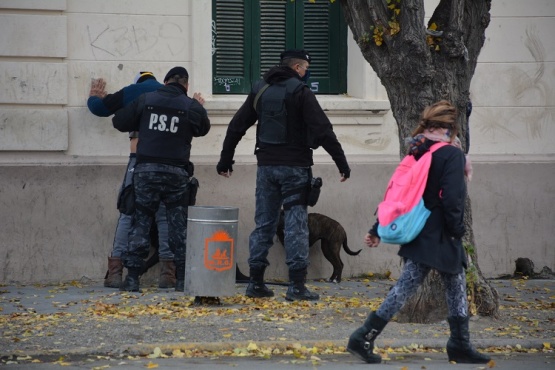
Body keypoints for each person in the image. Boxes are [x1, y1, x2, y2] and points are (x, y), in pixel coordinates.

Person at [346, 101, 491, 364]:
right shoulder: (451, 155)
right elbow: (452, 199)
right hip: (441, 233)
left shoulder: (418, 151)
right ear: (452, 129)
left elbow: (397, 192)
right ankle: (363, 335)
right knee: (409, 286)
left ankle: (459, 344)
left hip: (423, 231)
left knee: (454, 283)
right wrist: (458, 230)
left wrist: (377, 227)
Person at [216, 49, 351, 301]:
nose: (307, 73)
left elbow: (237, 126)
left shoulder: (261, 90)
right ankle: (297, 287)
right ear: (299, 68)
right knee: (296, 224)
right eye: (306, 68)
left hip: (266, 167)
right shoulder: (301, 92)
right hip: (295, 168)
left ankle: (255, 283)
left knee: (264, 224)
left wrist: (225, 160)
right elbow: (323, 130)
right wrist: (341, 163)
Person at [113, 66, 210, 292]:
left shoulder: (146, 99)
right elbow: (203, 129)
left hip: (146, 171)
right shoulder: (191, 105)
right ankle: (182, 279)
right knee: (177, 225)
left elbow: (119, 122)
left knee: (141, 221)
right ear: (186, 85)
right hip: (176, 173)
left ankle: (133, 278)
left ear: (165, 82)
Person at [88, 72, 177, 289]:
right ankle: (168, 274)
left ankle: (116, 272)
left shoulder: (134, 92)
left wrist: (94, 97)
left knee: (128, 212)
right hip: (169, 162)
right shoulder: (175, 96)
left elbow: (100, 109)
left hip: (139, 160)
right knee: (164, 215)